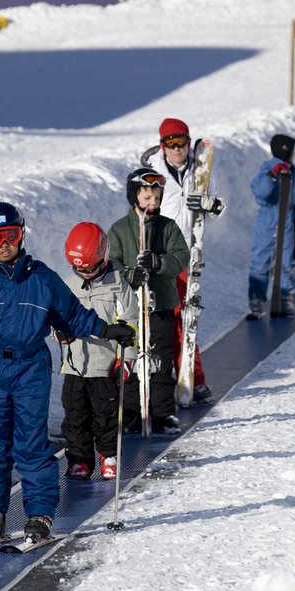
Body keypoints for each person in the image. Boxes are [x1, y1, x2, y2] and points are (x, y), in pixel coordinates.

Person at [0, 202, 133, 545]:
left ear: (22, 234)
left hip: (31, 366)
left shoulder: (42, 278)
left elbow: (72, 315)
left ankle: (39, 512)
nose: (4, 244)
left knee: (31, 443)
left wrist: (108, 331)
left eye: (11, 235)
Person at [141, 117, 225, 404]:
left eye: (182, 142)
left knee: (187, 318)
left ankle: (193, 378)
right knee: (163, 321)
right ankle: (159, 381)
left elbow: (217, 206)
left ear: (190, 142)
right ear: (162, 145)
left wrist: (209, 205)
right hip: (160, 257)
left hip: (188, 255)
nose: (177, 149)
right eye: (170, 143)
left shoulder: (201, 168)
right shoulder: (151, 173)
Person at [108, 168, 190, 435]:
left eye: (157, 198)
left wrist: (159, 262)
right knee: (132, 359)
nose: (152, 204)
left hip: (160, 306)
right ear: (135, 197)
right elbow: (111, 262)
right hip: (131, 308)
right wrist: (127, 275)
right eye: (147, 198)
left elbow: (181, 256)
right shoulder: (119, 230)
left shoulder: (167, 227)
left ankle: (163, 413)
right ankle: (131, 412)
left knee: (162, 360)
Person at [56, 222, 138, 481]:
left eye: (89, 267)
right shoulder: (68, 285)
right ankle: (79, 459)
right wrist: (58, 332)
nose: (83, 272)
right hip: (75, 365)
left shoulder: (119, 287)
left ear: (102, 257)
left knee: (106, 414)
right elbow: (54, 319)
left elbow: (132, 324)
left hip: (106, 364)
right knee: (75, 416)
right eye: (78, 267)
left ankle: (108, 455)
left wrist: (127, 361)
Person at [247, 133, 295, 320]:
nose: (294, 154)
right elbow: (260, 193)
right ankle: (256, 298)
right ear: (285, 151)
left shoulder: (293, 173)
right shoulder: (267, 169)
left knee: (286, 262)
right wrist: (272, 175)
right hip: (267, 221)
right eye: (292, 151)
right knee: (261, 261)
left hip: (287, 223)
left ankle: (285, 297)